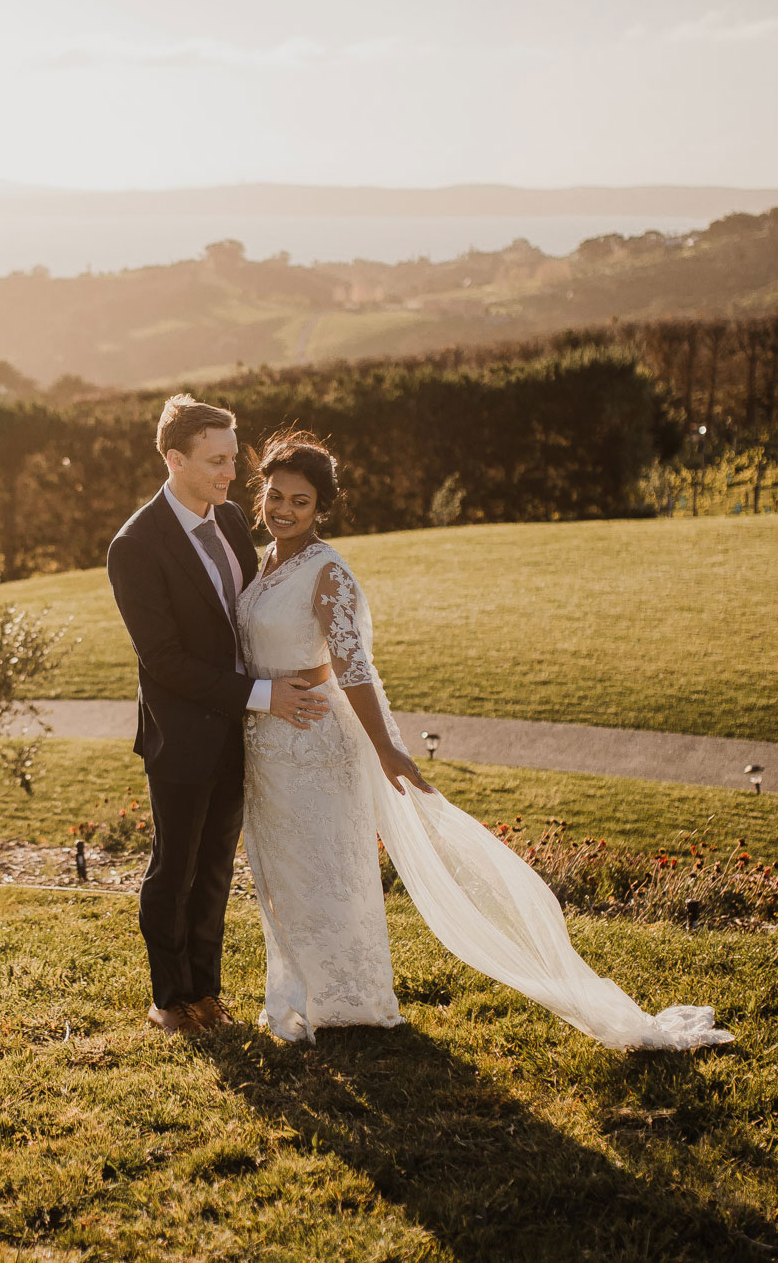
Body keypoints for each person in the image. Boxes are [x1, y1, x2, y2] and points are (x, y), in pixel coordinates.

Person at [236, 430, 734, 1050]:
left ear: (323, 508)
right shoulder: (267, 561)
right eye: (275, 496)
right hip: (269, 745)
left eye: (300, 501)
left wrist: (389, 749)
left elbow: (352, 666)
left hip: (312, 744)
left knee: (325, 872)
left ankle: (348, 1001)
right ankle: (298, 994)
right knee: (285, 875)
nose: (283, 509)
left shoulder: (327, 572)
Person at [105, 395, 333, 1036]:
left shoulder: (232, 520)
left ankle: (207, 993)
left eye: (233, 458)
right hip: (181, 737)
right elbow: (165, 661)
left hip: (242, 733)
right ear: (173, 459)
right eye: (215, 460)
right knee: (173, 869)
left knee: (213, 871)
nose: (231, 473)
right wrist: (263, 697)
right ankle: (169, 1000)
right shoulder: (135, 546)